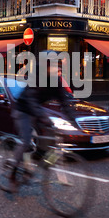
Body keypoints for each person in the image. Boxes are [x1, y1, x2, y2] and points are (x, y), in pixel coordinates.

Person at [9, 51, 75, 193]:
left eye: (56, 63)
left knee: (49, 140)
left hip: (36, 112)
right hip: (23, 110)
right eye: (51, 63)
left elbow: (64, 101)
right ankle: (13, 175)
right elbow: (31, 99)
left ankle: (33, 167)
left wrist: (73, 120)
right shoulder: (36, 77)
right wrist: (43, 116)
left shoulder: (56, 81)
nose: (55, 67)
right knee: (26, 142)